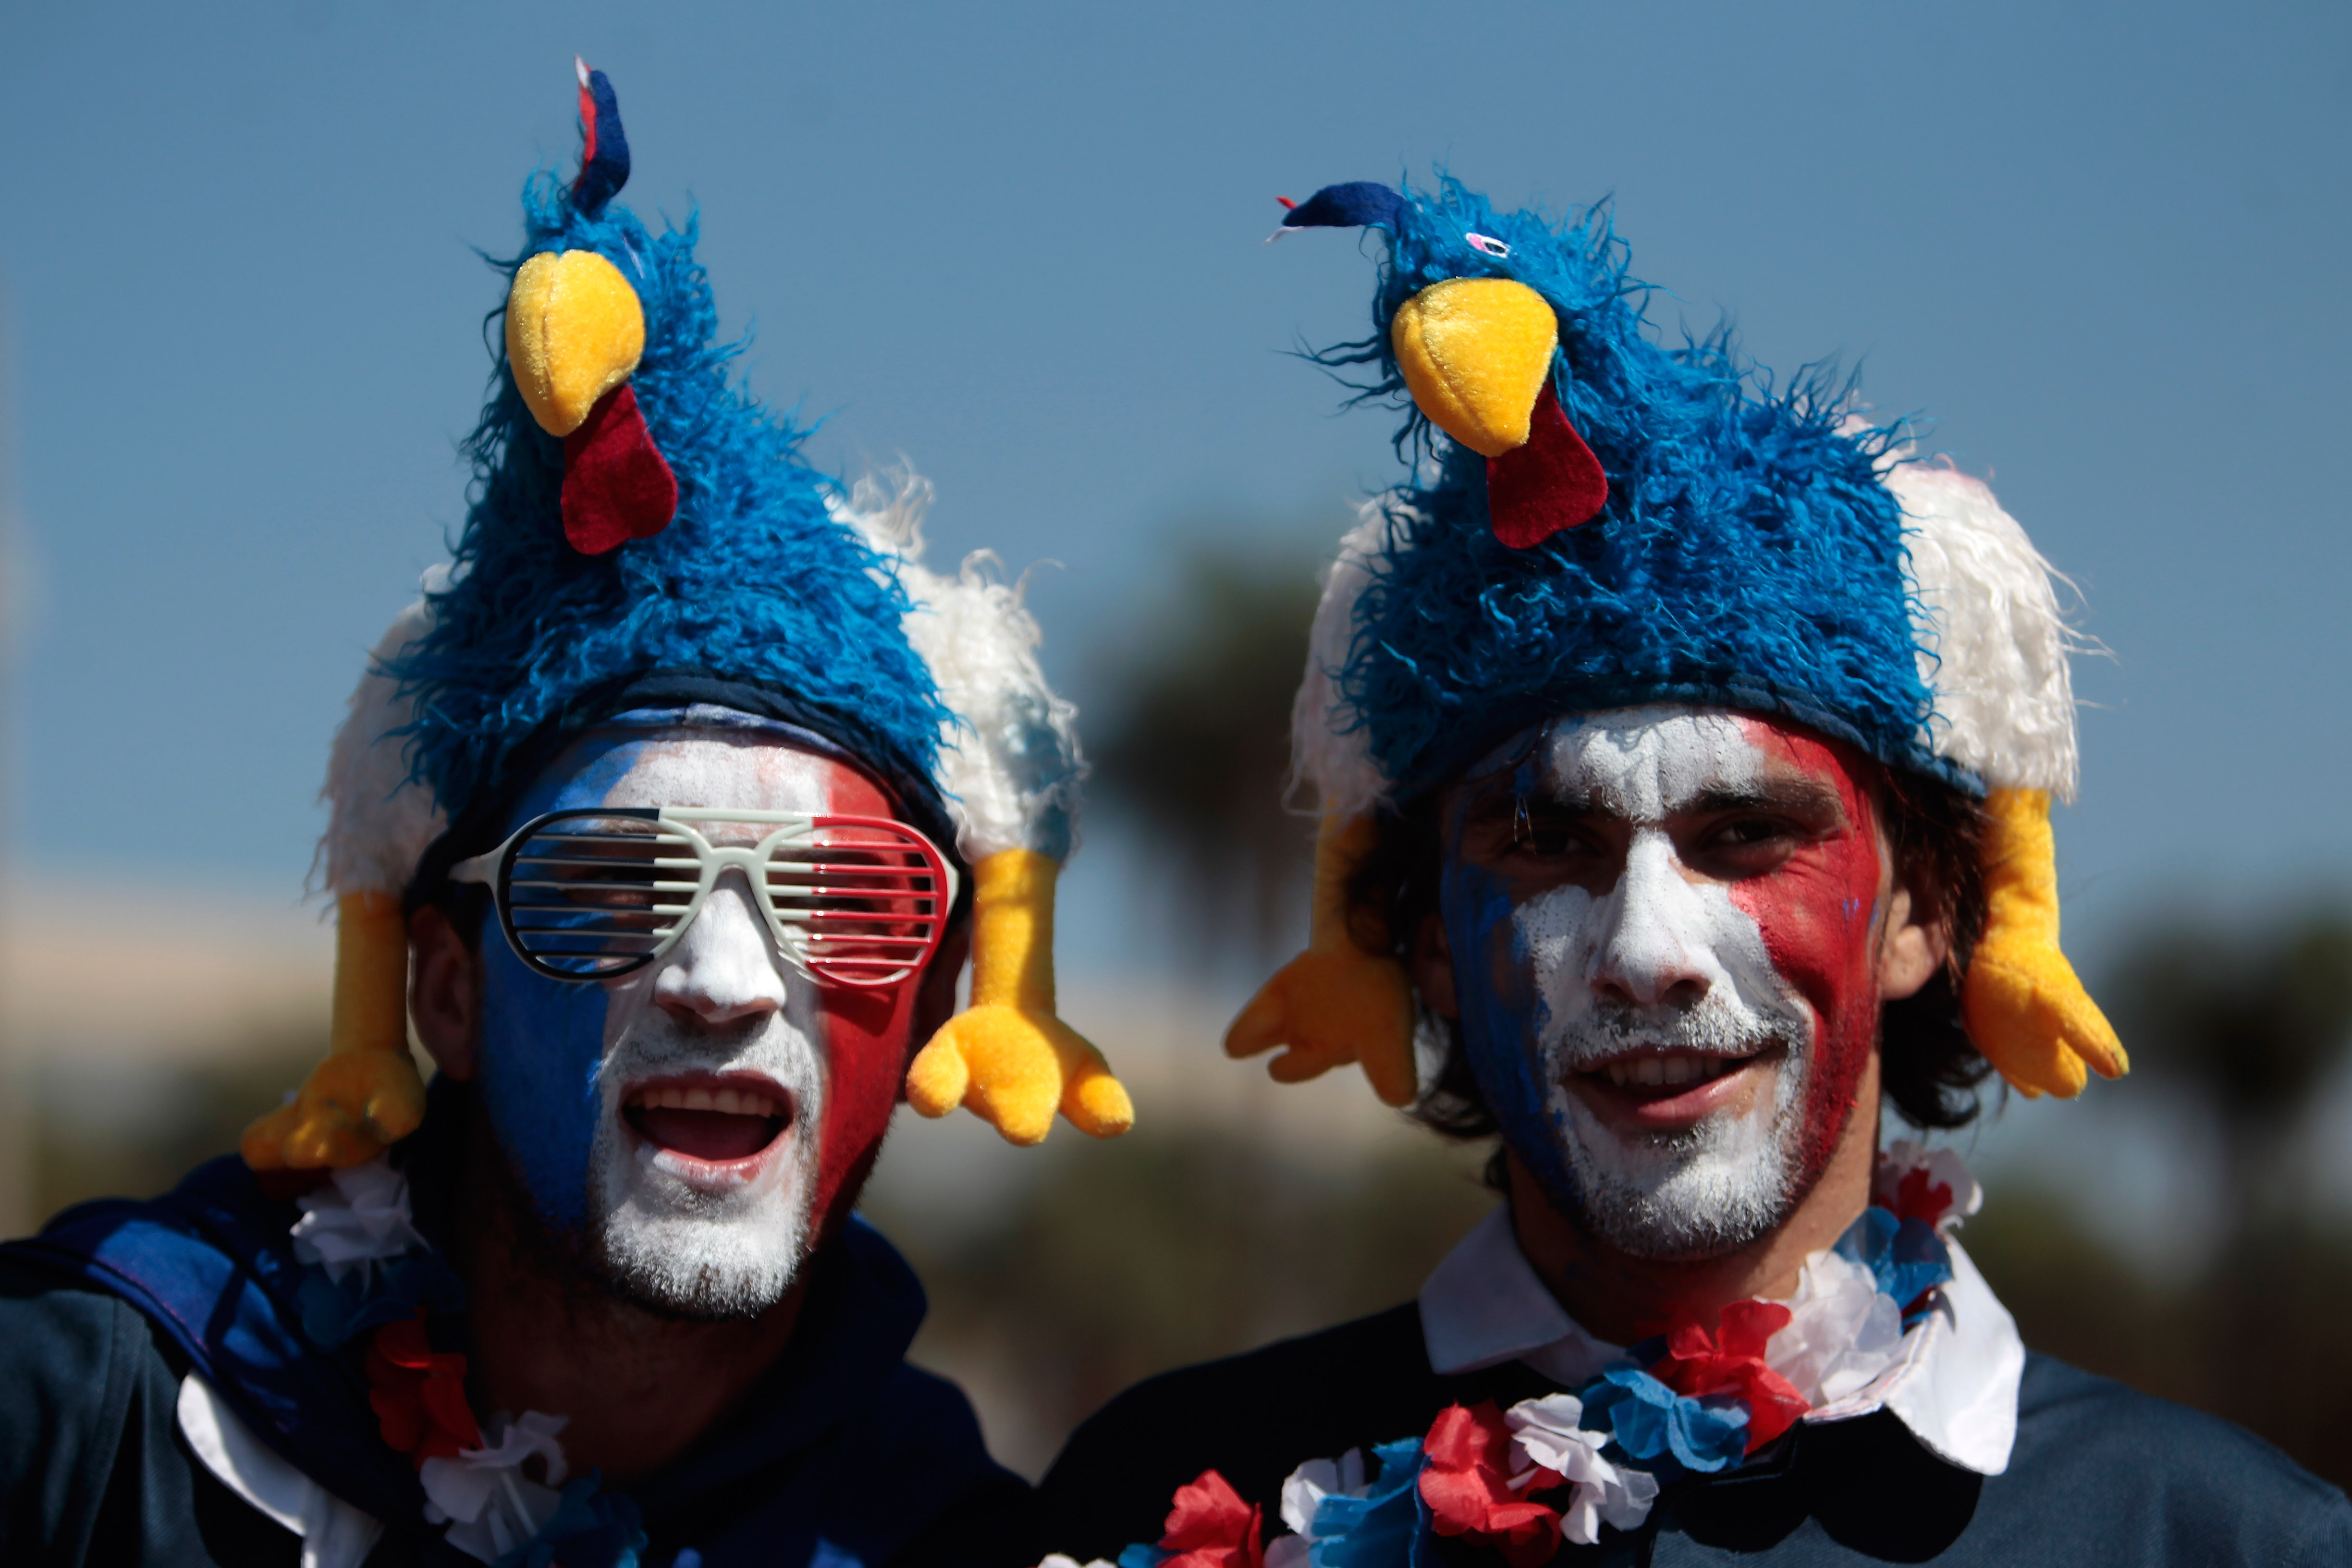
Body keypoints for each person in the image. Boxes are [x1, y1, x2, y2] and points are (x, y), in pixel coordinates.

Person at [1031, 178, 2352, 1565]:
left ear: (1921, 912)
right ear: (1424, 936)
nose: (1650, 948)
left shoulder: (2222, 1540)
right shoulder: (1161, 1491)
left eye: (1745, 837)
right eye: (1548, 844)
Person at [0, 64, 1132, 1568]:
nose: (725, 984)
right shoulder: (84, 1421)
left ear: (931, 1009)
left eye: (845, 899)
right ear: (446, 994)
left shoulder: (957, 1544)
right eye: (608, 888)